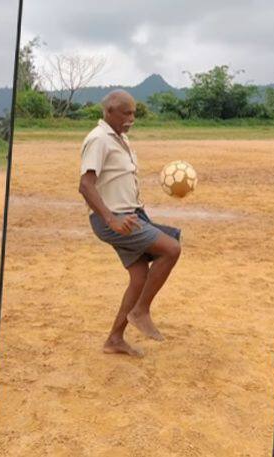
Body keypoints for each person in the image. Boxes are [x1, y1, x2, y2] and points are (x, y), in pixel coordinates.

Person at [78, 90, 182, 357]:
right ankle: (141, 310)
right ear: (109, 111)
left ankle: (114, 339)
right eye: (126, 113)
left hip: (131, 215)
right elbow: (86, 185)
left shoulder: (121, 140)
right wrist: (111, 220)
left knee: (139, 277)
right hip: (115, 219)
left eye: (134, 113)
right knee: (170, 249)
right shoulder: (99, 139)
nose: (132, 118)